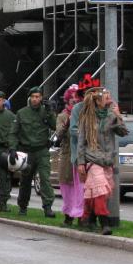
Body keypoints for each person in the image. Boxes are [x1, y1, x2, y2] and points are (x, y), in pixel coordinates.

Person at [77, 87, 128, 235]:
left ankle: (89, 218)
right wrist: (81, 162)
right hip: (93, 160)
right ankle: (105, 223)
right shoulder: (86, 117)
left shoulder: (111, 115)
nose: (109, 97)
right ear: (98, 101)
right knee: (99, 192)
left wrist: (118, 116)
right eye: (106, 96)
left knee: (103, 193)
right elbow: (81, 142)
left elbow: (123, 132)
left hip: (107, 160)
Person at [10, 86, 57, 217]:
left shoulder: (45, 111)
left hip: (42, 150)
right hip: (27, 151)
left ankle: (47, 206)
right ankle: (23, 206)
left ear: (41, 98)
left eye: (38, 97)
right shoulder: (21, 113)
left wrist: (50, 111)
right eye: (33, 97)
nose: (35, 99)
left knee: (44, 178)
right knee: (25, 180)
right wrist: (13, 148)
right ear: (30, 98)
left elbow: (55, 126)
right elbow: (13, 133)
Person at [58, 84, 84, 226]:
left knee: (81, 187)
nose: (74, 102)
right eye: (72, 99)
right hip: (68, 155)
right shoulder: (62, 116)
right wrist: (68, 122)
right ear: (68, 100)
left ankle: (81, 216)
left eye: (77, 99)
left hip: (80, 155)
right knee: (68, 187)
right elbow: (59, 135)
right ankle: (68, 215)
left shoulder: (83, 113)